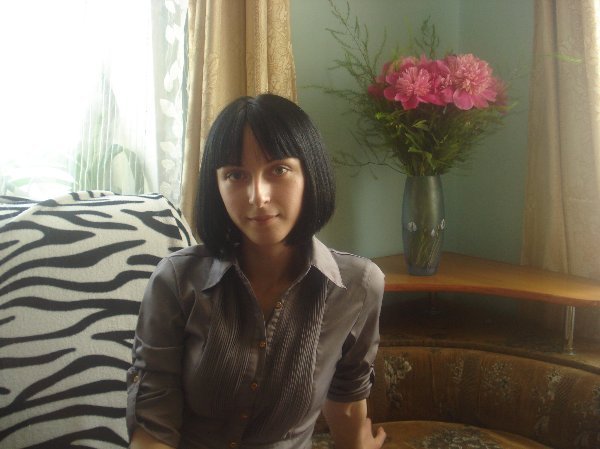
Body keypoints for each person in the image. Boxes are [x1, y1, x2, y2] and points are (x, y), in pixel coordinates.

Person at [127, 93, 386, 449]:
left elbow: (347, 398)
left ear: (310, 173)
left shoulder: (357, 286)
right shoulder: (175, 281)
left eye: (278, 170)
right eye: (235, 175)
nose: (257, 196)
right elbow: (153, 428)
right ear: (216, 186)